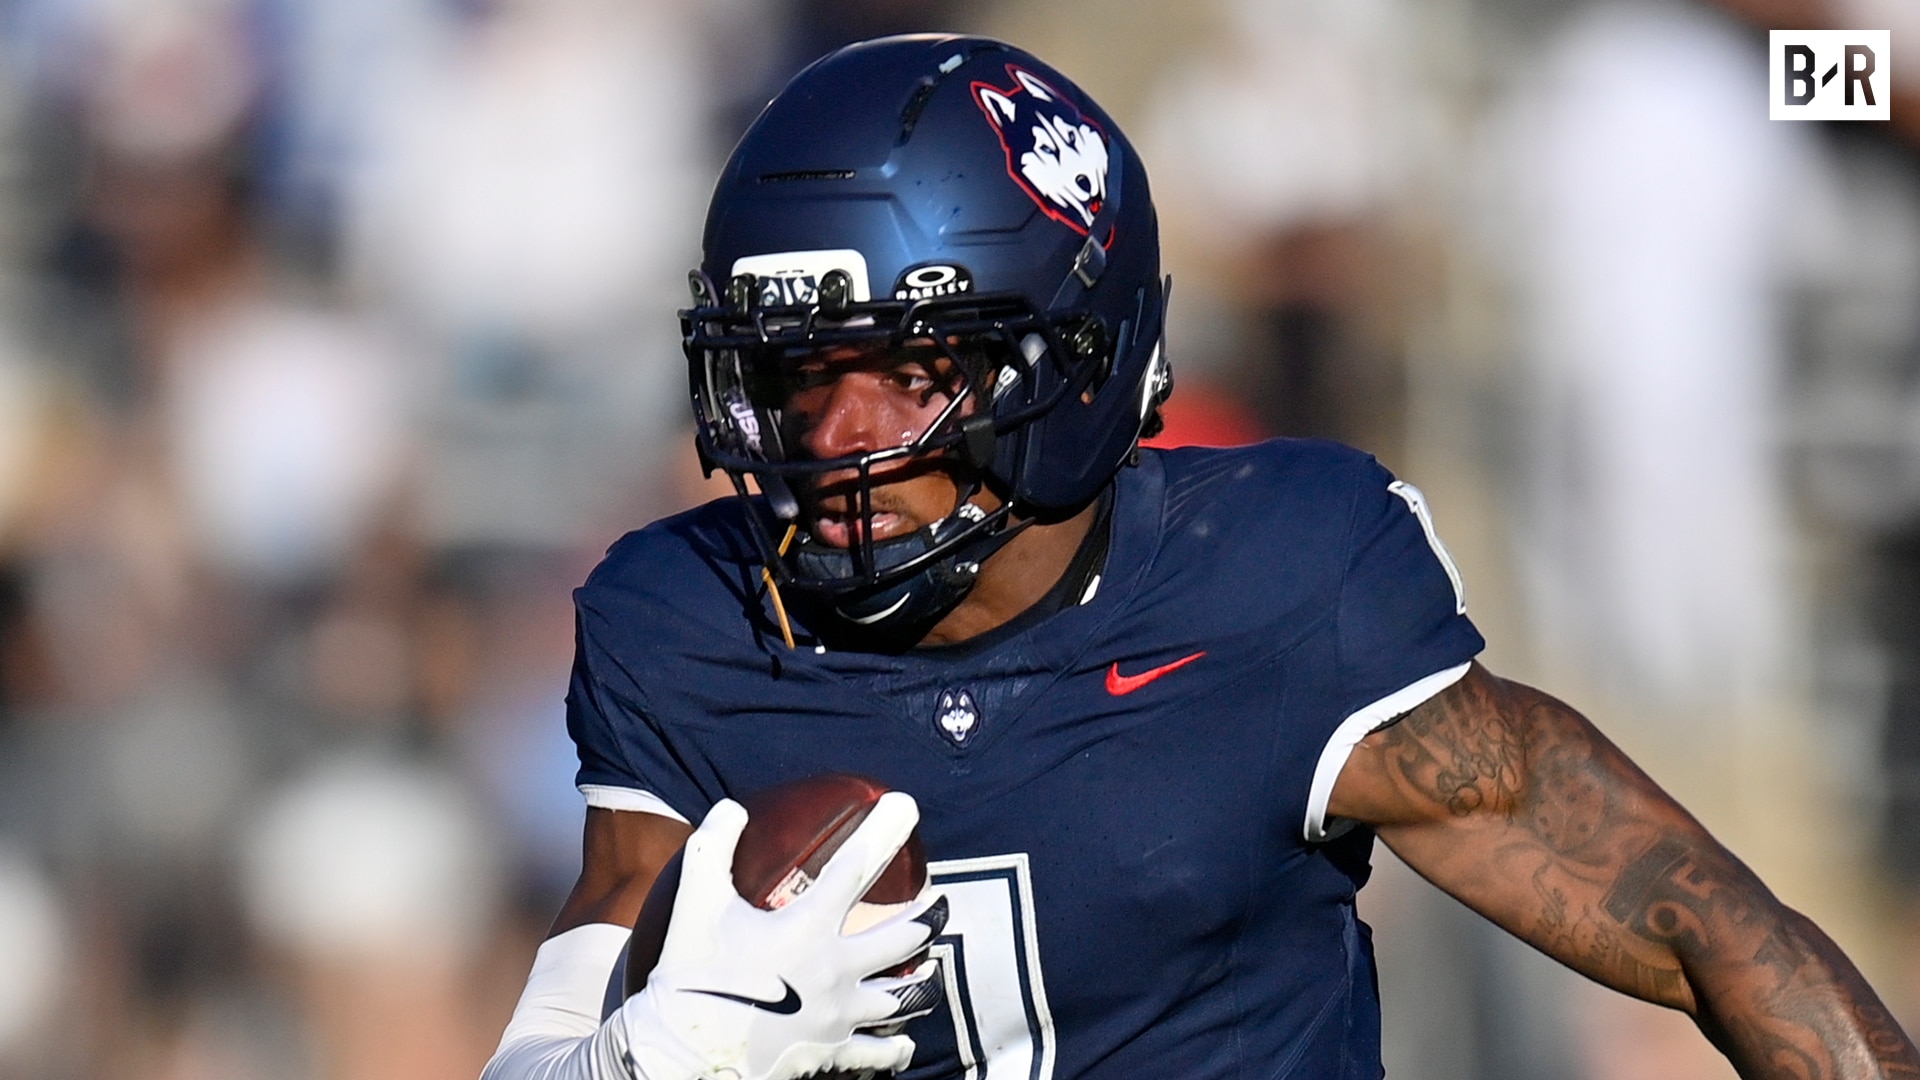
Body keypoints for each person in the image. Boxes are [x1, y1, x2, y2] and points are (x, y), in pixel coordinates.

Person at [482, 33, 1920, 1080]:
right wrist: (639, 1062)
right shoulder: (689, 624)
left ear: (1074, 362)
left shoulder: (1280, 582)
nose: (839, 442)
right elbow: (542, 1043)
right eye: (801, 379)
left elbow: (1706, 930)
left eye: (911, 376)